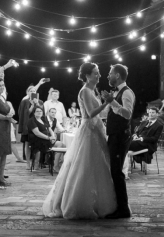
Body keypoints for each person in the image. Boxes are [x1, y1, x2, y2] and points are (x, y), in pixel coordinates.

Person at [42, 63, 117, 219]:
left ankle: (97, 201)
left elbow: (99, 113)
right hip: (89, 130)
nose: (99, 76)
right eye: (96, 73)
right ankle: (79, 202)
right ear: (88, 75)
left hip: (96, 129)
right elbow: (90, 113)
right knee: (85, 165)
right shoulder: (85, 91)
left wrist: (106, 105)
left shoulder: (92, 91)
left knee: (98, 165)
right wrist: (107, 102)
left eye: (99, 73)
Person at [101, 64, 135, 219]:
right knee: (114, 170)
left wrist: (112, 101)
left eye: (110, 73)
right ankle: (118, 205)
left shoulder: (127, 92)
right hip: (115, 135)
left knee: (117, 172)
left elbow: (127, 114)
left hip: (121, 136)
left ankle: (123, 209)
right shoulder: (117, 92)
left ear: (118, 76)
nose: (108, 76)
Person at [122, 105, 164, 177]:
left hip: (148, 144)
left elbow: (154, 139)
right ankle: (123, 169)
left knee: (125, 145)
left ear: (157, 114)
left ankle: (124, 171)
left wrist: (142, 139)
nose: (151, 114)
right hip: (137, 141)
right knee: (123, 143)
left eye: (153, 112)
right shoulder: (144, 122)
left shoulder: (159, 125)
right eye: (150, 112)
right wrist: (135, 135)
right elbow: (136, 132)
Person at [17, 79, 47, 162]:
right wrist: (32, 105)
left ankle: (36, 162)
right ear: (28, 92)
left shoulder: (40, 102)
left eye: (34, 90)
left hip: (37, 126)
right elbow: (25, 114)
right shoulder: (24, 101)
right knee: (27, 143)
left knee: (37, 144)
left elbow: (41, 114)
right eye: (31, 91)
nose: (32, 92)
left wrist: (36, 104)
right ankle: (27, 162)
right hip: (27, 126)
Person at [27, 105, 56, 170]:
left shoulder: (43, 119)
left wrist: (53, 137)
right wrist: (49, 138)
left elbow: (50, 129)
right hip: (37, 140)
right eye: (37, 111)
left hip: (46, 140)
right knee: (59, 145)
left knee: (61, 145)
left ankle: (55, 164)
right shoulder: (31, 121)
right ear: (34, 113)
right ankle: (55, 165)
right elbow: (37, 133)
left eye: (40, 111)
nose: (39, 112)